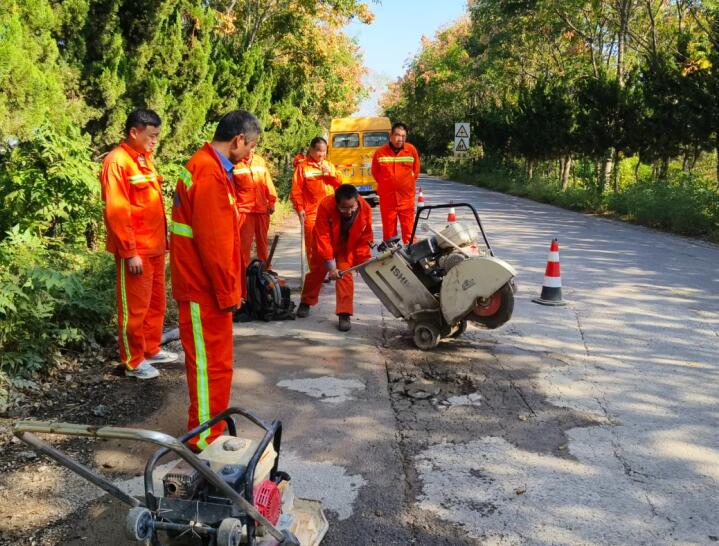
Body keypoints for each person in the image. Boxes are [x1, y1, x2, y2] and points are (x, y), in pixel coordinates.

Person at [170, 110, 260, 451]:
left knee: (216, 365)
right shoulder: (208, 174)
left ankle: (211, 426)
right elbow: (216, 244)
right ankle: (204, 437)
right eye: (250, 146)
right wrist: (229, 293)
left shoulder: (210, 169)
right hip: (204, 289)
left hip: (205, 286)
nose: (250, 153)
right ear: (238, 140)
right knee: (209, 366)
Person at [100, 109, 177, 380]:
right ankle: (133, 361)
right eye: (151, 135)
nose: (155, 141)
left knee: (157, 304)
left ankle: (151, 348)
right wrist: (129, 251)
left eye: (157, 136)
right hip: (136, 252)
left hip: (155, 247)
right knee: (135, 309)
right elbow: (117, 212)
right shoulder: (117, 162)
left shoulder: (144, 159)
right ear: (134, 132)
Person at [296, 184, 373, 332]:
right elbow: (322, 236)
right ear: (337, 203)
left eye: (352, 207)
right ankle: (306, 301)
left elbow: (365, 238)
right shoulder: (326, 205)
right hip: (325, 245)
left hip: (345, 248)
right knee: (316, 273)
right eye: (344, 208)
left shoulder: (365, 209)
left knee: (345, 276)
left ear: (357, 200)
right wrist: (331, 266)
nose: (349, 212)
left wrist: (363, 261)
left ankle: (344, 313)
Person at [233, 150, 277, 303]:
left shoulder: (259, 161)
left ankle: (265, 272)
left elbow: (267, 183)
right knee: (243, 247)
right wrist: (234, 209)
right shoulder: (235, 164)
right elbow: (231, 190)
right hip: (244, 210)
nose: (250, 150)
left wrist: (271, 201)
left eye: (252, 146)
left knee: (263, 243)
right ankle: (243, 279)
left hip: (261, 209)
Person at [290, 137, 343, 263]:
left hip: (331, 211)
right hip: (312, 213)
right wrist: (300, 208)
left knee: (330, 241)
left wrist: (330, 173)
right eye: (319, 151)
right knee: (313, 244)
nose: (322, 154)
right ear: (311, 150)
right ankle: (315, 273)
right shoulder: (303, 168)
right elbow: (296, 191)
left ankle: (328, 269)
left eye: (324, 151)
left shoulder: (329, 165)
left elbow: (340, 184)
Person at [371, 122, 421, 243]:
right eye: (398, 135)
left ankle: (412, 255)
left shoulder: (411, 150)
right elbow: (375, 172)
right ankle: (391, 258)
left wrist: (405, 184)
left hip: (406, 199)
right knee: (389, 232)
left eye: (403, 136)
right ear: (391, 135)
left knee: (409, 231)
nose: (400, 139)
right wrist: (388, 184)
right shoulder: (380, 152)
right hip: (388, 200)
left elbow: (416, 171)